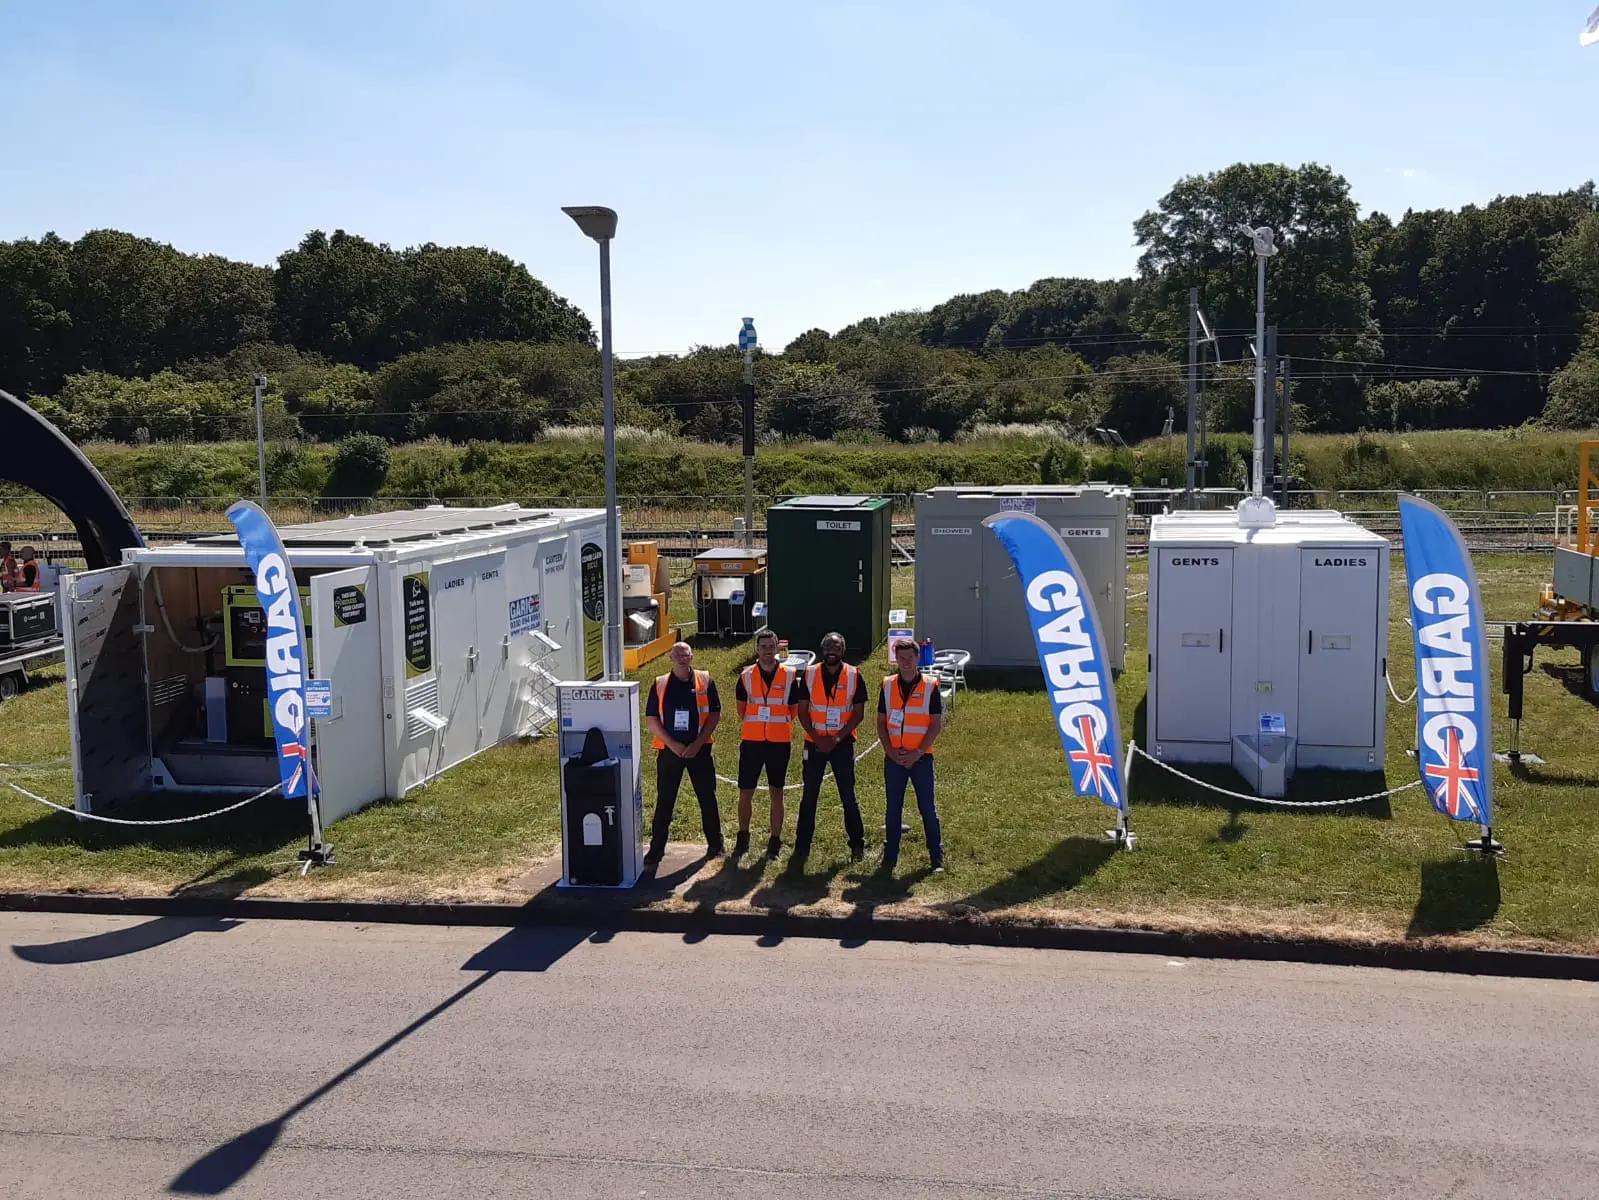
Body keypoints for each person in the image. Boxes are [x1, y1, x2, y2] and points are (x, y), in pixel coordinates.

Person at [792, 631, 869, 866]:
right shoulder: (810, 674)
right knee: (809, 797)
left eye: (836, 647)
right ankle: (802, 848)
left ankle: (857, 846)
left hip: (842, 744)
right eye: (827, 647)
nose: (831, 651)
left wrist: (835, 740)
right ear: (822, 649)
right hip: (814, 744)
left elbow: (858, 715)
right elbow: (802, 711)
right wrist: (817, 738)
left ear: (843, 651)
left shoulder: (855, 675)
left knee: (848, 796)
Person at [643, 642, 724, 865]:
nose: (681, 657)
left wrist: (697, 744)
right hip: (670, 752)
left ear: (692, 656)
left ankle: (716, 845)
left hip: (700, 750)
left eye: (686, 653)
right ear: (670, 657)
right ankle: (656, 850)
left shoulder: (705, 680)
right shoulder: (660, 684)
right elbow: (652, 719)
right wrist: (673, 745)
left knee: (707, 798)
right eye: (677, 654)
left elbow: (715, 714)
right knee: (665, 801)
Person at [877, 638, 945, 873]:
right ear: (895, 658)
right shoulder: (886, 685)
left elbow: (936, 724)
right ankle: (890, 855)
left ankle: (936, 857)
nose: (905, 662)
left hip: (921, 759)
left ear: (918, 658)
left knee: (927, 808)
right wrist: (890, 752)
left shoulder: (931, 686)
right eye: (901, 657)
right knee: (893, 808)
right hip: (894, 759)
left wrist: (917, 752)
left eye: (910, 657)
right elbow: (881, 723)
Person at [733, 628, 796, 860]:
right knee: (745, 792)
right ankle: (743, 837)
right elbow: (742, 709)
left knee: (776, 792)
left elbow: (794, 709)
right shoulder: (746, 675)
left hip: (779, 742)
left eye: (772, 647)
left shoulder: (790, 675)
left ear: (778, 648)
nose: (768, 651)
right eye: (763, 647)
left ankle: (775, 840)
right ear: (757, 650)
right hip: (752, 742)